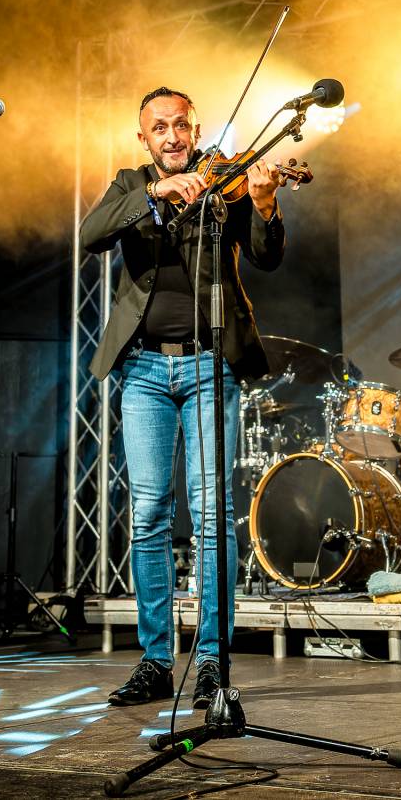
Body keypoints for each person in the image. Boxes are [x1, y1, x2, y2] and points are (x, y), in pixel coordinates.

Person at [81, 87, 284, 709]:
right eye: (159, 128)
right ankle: (153, 661)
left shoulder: (226, 182)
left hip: (209, 366)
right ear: (144, 138)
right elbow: (92, 233)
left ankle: (213, 664)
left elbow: (266, 256)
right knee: (147, 514)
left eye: (181, 126)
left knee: (213, 514)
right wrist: (154, 194)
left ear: (197, 131)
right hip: (143, 370)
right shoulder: (128, 182)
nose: (171, 137)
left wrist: (265, 201)